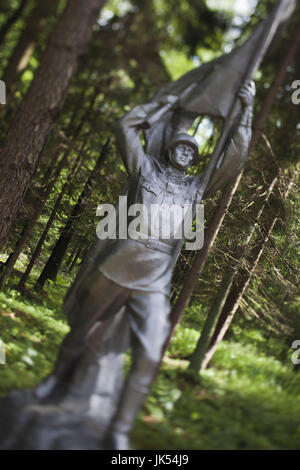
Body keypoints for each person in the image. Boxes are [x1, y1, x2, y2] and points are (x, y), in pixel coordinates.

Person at [35, 82, 255, 449]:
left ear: (195, 158)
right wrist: (157, 108)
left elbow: (235, 156)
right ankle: (53, 382)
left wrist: (245, 112)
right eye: (180, 147)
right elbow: (124, 127)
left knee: (151, 355)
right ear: (169, 150)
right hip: (119, 263)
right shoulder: (145, 171)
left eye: (191, 150)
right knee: (81, 329)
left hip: (154, 277)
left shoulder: (197, 188)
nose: (185, 152)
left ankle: (119, 428)